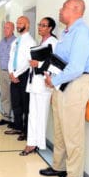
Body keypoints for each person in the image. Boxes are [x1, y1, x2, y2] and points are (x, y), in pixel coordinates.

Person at [40, 0, 89, 177]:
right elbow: (63, 60)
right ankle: (59, 166)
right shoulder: (67, 33)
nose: (60, 9)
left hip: (76, 83)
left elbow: (77, 67)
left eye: (63, 6)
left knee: (72, 132)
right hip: (63, 83)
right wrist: (51, 74)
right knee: (60, 129)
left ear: (76, 9)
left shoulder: (80, 32)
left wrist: (54, 80)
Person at [19, 17, 58, 156]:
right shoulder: (42, 42)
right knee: (33, 115)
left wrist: (39, 64)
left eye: (44, 25)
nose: (40, 27)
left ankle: (37, 144)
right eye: (39, 25)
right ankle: (31, 142)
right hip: (34, 83)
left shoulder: (53, 42)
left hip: (43, 85)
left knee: (40, 116)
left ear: (50, 28)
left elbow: (54, 64)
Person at [4, 16, 36, 141]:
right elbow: (11, 58)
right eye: (17, 23)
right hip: (14, 76)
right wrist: (11, 73)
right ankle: (17, 127)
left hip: (24, 76)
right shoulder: (15, 41)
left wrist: (16, 74)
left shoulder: (31, 42)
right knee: (16, 103)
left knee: (25, 105)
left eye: (21, 23)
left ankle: (26, 131)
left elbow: (28, 62)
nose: (18, 25)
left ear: (27, 25)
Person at [0, 22, 16, 126]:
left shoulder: (16, 42)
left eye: (7, 28)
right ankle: (6, 117)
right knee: (4, 95)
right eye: (4, 28)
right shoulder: (1, 42)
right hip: (3, 72)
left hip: (12, 73)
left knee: (14, 96)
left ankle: (15, 119)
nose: (5, 30)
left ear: (13, 29)